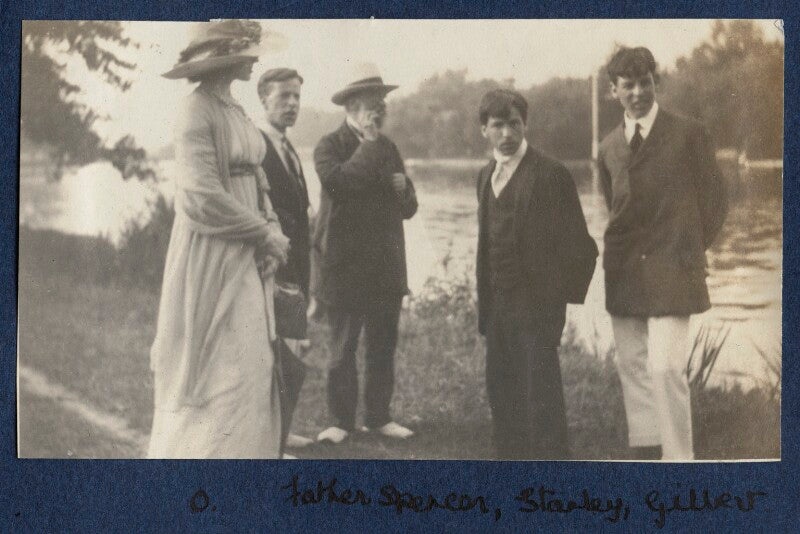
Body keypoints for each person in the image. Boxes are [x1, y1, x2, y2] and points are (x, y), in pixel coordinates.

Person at [147, 20, 290, 459]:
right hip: (213, 254)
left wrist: (273, 229)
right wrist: (261, 232)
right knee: (223, 369)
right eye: (247, 53)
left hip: (247, 252)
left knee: (255, 366)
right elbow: (199, 196)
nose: (254, 60)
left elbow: (258, 177)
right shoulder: (196, 110)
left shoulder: (235, 107)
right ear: (227, 57)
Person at [598, 47, 728, 461]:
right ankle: (646, 457)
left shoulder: (688, 133)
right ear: (613, 90)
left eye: (645, 82)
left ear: (656, 81)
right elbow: (612, 204)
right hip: (624, 273)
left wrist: (687, 247)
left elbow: (716, 202)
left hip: (675, 269)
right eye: (628, 85)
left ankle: (677, 463)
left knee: (666, 369)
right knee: (634, 369)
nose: (637, 92)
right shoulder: (609, 146)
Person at [476, 89, 598, 460]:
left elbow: (582, 247)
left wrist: (553, 305)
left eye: (515, 123)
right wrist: (486, 305)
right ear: (485, 129)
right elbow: (485, 245)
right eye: (498, 125)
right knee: (502, 392)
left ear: (525, 124)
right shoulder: (484, 176)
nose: (507, 134)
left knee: (541, 400)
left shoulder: (551, 174)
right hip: (497, 307)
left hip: (535, 310)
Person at [313, 63, 418, 444]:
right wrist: (371, 146)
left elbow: (409, 208)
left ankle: (378, 417)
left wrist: (404, 189)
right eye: (371, 103)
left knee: (382, 346)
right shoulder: (329, 146)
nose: (378, 110)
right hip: (344, 267)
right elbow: (339, 184)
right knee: (342, 349)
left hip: (385, 268)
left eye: (381, 103)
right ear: (351, 106)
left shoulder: (390, 147)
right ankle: (341, 422)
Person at [256, 67, 314, 452]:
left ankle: (282, 428)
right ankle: (270, 439)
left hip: (298, 266)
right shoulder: (258, 145)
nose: (292, 104)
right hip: (275, 266)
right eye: (283, 97)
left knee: (293, 350)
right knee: (274, 355)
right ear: (264, 100)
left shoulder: (289, 146)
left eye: (296, 96)